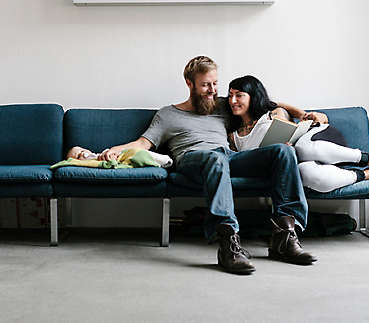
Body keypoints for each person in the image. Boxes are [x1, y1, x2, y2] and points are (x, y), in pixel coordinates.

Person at [100, 56, 316, 275]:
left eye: (215, 84)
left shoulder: (223, 105)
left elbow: (265, 102)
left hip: (228, 158)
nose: (212, 90)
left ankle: (285, 236)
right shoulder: (168, 114)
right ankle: (228, 244)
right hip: (194, 160)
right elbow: (142, 143)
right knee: (215, 158)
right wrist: (114, 150)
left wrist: (302, 114)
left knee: (284, 151)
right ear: (190, 84)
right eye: (205, 85)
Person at [225, 75, 369, 193]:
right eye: (230, 95)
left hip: (317, 140)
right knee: (306, 174)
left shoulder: (273, 111)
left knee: (303, 149)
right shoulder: (233, 136)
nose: (233, 100)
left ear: (253, 97)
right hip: (293, 162)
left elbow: (306, 117)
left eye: (239, 95)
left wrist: (312, 117)